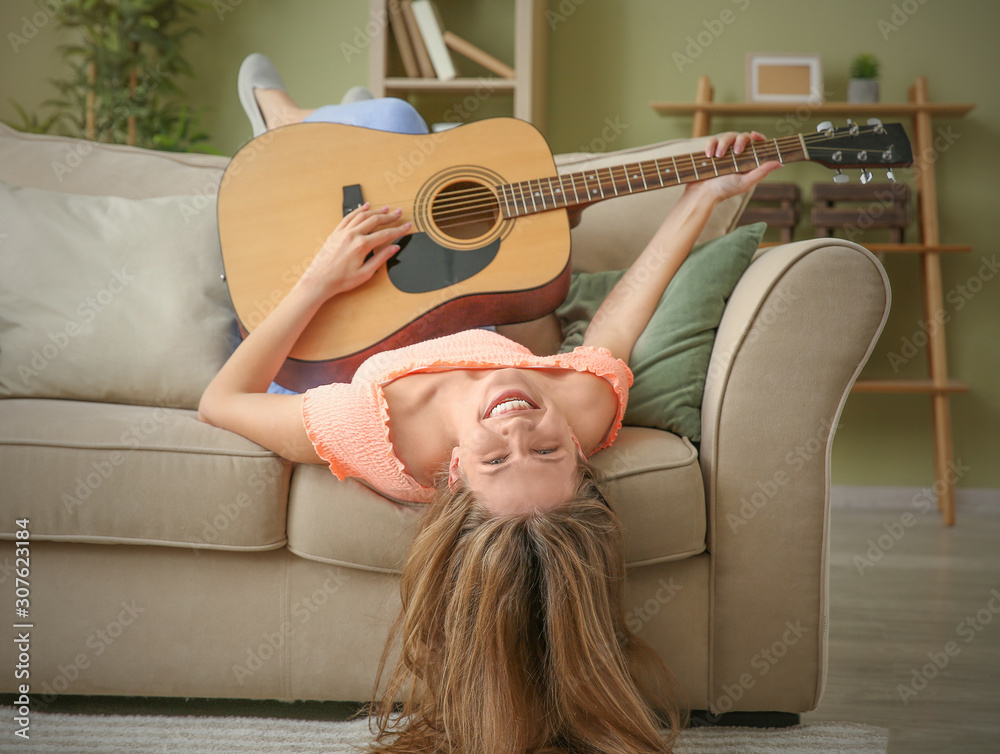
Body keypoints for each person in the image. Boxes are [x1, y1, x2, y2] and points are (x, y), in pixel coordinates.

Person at [200, 54, 781, 754]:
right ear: (575, 446)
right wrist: (701, 199)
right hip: (441, 304)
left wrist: (318, 281)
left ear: (451, 475)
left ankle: (283, 117)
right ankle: (364, 122)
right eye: (547, 448)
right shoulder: (582, 408)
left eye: (497, 458)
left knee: (390, 120)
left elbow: (222, 398)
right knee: (415, 136)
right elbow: (617, 325)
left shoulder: (372, 427)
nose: (518, 422)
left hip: (320, 338)